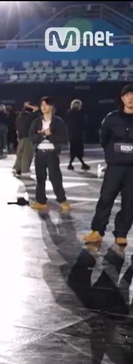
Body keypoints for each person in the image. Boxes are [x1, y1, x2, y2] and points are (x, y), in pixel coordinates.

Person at [83, 84, 133, 246]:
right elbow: (104, 139)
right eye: (127, 95)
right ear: (122, 98)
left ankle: (121, 233)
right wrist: (112, 154)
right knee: (106, 198)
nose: (130, 98)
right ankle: (97, 231)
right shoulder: (112, 118)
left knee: (129, 202)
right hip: (115, 167)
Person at [29, 97, 70, 212]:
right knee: (40, 178)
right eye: (42, 105)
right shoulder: (36, 122)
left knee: (55, 178)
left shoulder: (58, 122)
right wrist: (43, 135)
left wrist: (49, 135)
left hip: (52, 154)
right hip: (40, 154)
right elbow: (32, 137)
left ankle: (62, 200)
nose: (43, 107)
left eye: (46, 105)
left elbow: (63, 138)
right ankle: (41, 201)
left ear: (51, 106)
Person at [13, 101, 38, 177]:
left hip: (20, 136)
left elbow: (16, 127)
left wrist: (18, 136)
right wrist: (29, 105)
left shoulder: (19, 116)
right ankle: (25, 170)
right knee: (27, 154)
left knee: (20, 154)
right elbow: (38, 110)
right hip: (27, 136)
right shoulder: (30, 116)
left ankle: (17, 168)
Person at [65, 99, 89, 171]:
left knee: (74, 150)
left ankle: (76, 164)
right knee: (77, 150)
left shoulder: (69, 114)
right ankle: (76, 164)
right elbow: (83, 124)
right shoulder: (80, 114)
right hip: (78, 134)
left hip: (71, 134)